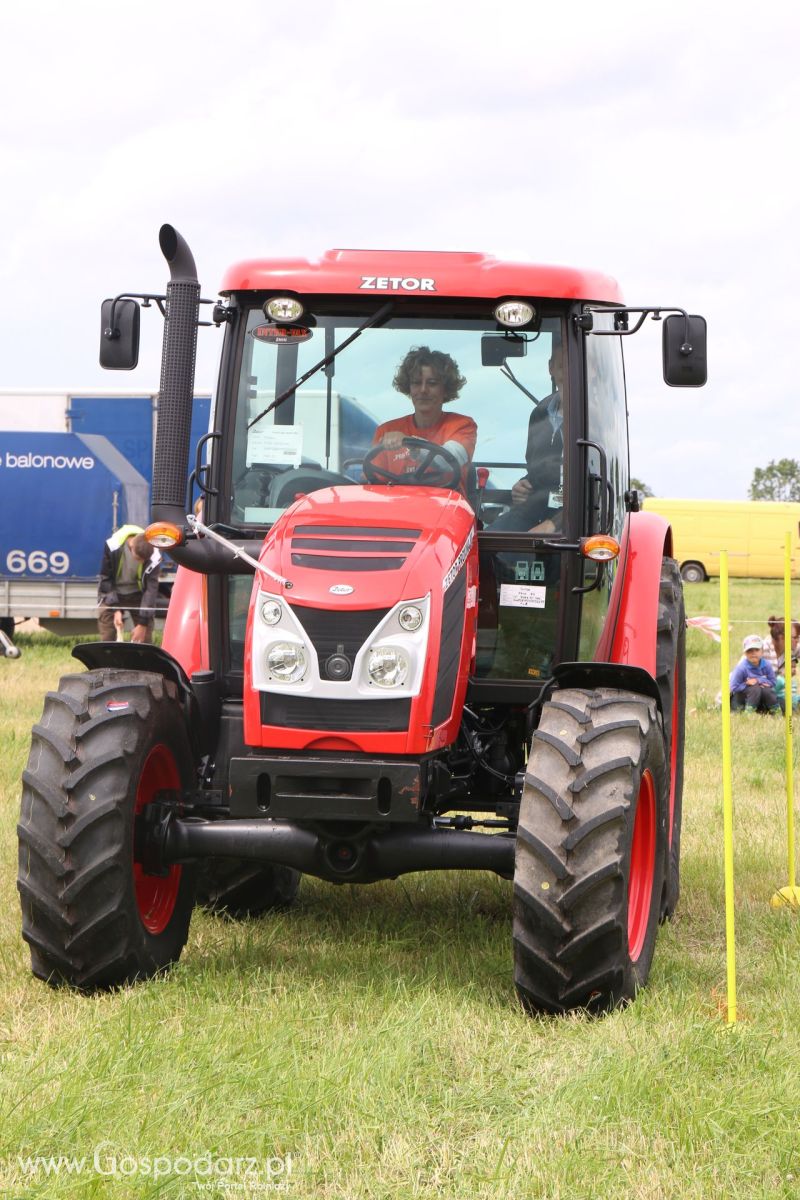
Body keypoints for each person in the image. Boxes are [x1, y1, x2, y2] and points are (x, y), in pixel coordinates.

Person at [371, 346, 477, 486]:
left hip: (446, 505)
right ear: (409, 388)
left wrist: (408, 442)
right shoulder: (385, 431)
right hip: (399, 506)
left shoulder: (463, 425)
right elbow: (373, 484)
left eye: (432, 383)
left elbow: (447, 461)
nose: (423, 390)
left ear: (445, 389)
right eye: (416, 383)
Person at [490, 348, 564, 534]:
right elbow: (536, 468)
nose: (568, 374)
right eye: (562, 366)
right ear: (551, 368)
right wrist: (522, 486)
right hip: (534, 509)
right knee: (485, 542)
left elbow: (596, 492)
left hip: (571, 519)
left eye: (574, 367)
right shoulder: (541, 412)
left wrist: (555, 524)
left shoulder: (593, 417)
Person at [97, 525, 163, 644]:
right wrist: (116, 609)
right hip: (113, 593)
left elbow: (151, 590)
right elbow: (106, 579)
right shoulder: (113, 546)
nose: (141, 563)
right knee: (107, 638)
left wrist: (142, 623)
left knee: (145, 639)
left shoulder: (154, 556)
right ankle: (108, 660)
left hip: (138, 595)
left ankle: (142, 661)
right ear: (131, 546)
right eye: (138, 559)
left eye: (144, 561)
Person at [729, 634, 780, 714]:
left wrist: (758, 680)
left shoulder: (767, 665)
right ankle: (748, 712)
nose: (753, 653)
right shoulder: (741, 668)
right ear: (745, 653)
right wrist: (746, 684)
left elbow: (773, 682)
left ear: (762, 651)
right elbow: (733, 687)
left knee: (767, 690)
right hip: (741, 698)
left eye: (756, 650)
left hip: (759, 696)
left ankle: (775, 711)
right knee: (755, 688)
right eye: (750, 650)